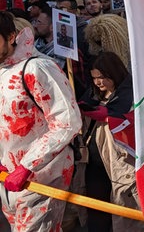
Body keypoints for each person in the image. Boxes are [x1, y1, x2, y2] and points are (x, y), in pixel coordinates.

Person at [0, 12, 81, 231]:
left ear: (10, 36)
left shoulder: (38, 68)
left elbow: (67, 123)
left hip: (44, 175)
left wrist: (27, 166)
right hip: (7, 177)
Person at [80, 52, 144, 231]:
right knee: (96, 207)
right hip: (94, 161)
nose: (98, 83)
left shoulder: (132, 92)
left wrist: (108, 116)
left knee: (125, 208)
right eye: (94, 78)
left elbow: (132, 119)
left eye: (102, 78)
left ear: (114, 73)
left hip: (121, 160)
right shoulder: (94, 93)